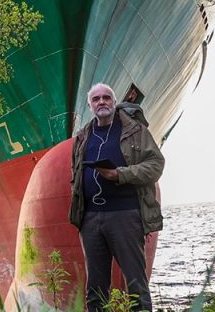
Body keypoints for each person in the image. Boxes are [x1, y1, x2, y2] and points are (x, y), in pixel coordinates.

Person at [68, 83, 164, 311]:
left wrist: (120, 174)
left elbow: (156, 165)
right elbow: (75, 174)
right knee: (95, 290)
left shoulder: (135, 130)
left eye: (106, 98)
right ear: (90, 106)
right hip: (90, 219)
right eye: (96, 99)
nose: (102, 102)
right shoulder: (82, 137)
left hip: (125, 216)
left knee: (136, 284)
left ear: (114, 101)